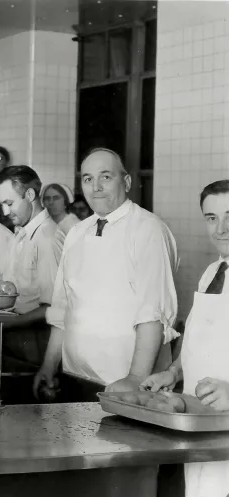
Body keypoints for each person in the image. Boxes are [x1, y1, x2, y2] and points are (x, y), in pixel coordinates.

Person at [34, 149, 179, 395]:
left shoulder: (147, 229)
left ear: (127, 182)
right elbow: (62, 307)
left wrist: (135, 379)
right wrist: (49, 366)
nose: (96, 187)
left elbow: (153, 315)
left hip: (125, 385)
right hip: (75, 375)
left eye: (106, 177)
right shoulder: (77, 233)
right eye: (88, 179)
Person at [140, 180, 229, 497]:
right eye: (211, 218)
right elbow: (199, 337)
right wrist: (174, 372)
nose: (221, 228)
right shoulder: (213, 273)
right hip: (202, 424)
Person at [0, 166, 64, 365]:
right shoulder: (20, 234)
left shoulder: (47, 238)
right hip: (14, 335)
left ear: (30, 194)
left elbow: (52, 309)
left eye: (9, 203)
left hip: (36, 341)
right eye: (1, 204)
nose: (5, 211)